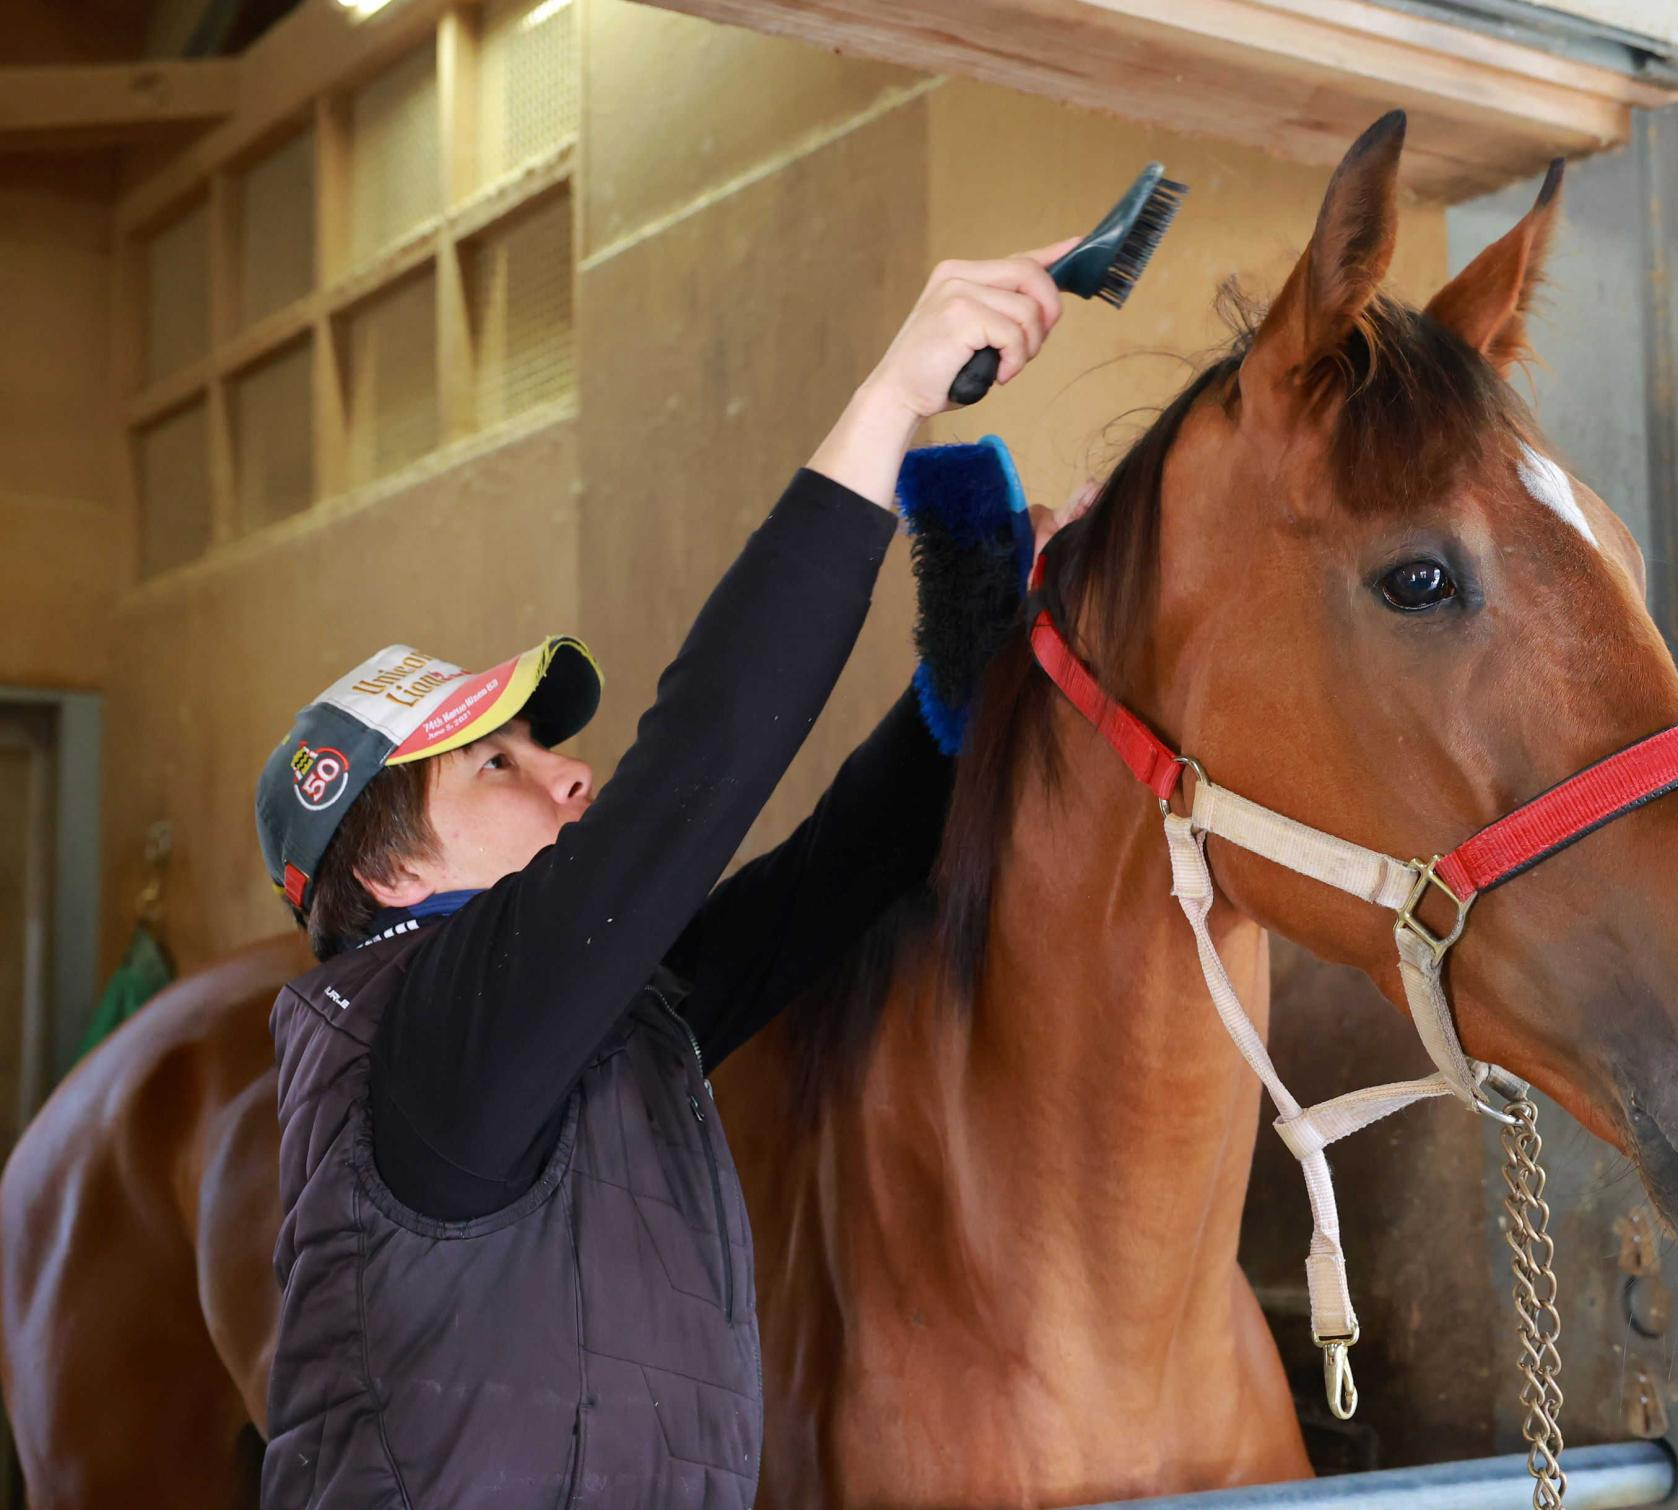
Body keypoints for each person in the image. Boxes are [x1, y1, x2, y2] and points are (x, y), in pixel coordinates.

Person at [250, 240, 1082, 1508]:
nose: (566, 774)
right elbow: (693, 772)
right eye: (495, 766)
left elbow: (829, 876)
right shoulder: (421, 1043)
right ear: (398, 865)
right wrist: (884, 402)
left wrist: (977, 643)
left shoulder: (600, 1029)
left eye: (544, 745)